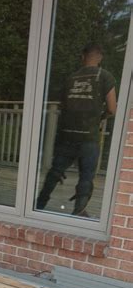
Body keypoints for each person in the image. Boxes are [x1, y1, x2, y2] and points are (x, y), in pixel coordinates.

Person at [36, 43, 117, 216]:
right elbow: (112, 108)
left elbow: (63, 105)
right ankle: (79, 212)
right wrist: (102, 116)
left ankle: (39, 204)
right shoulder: (104, 76)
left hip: (67, 134)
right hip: (89, 135)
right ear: (100, 57)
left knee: (55, 171)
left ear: (83, 57)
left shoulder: (71, 78)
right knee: (86, 175)